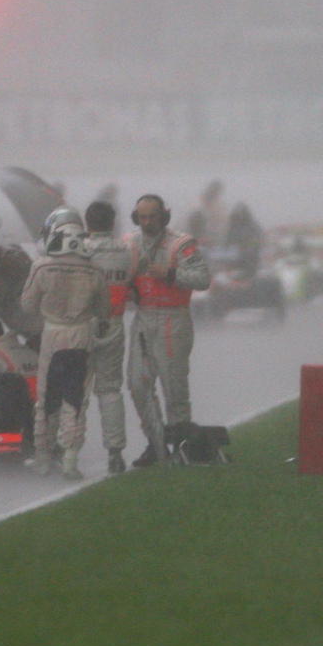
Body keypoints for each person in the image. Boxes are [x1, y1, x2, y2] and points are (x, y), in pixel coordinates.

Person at [19, 206, 110, 480]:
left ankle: (43, 458)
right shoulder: (94, 270)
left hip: (53, 335)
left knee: (47, 397)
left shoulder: (42, 266)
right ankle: (71, 459)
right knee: (76, 399)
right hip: (81, 335)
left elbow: (26, 305)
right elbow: (104, 310)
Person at [125, 193, 211, 466]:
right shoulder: (128, 243)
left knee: (174, 387)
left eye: (152, 216)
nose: (147, 222)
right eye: (142, 217)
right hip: (143, 318)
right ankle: (157, 443)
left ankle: (182, 446)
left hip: (173, 319)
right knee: (138, 384)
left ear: (164, 216)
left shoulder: (181, 244)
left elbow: (203, 279)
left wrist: (171, 274)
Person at [83, 200, 133, 475]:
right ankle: (115, 452)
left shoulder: (81, 251)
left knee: (76, 391)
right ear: (112, 224)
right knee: (110, 390)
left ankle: (68, 450)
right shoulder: (126, 252)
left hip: (83, 323)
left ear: (87, 223)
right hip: (113, 323)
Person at [187, 179, 228, 247]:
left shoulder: (219, 206)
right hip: (199, 238)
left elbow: (222, 222)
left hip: (213, 238)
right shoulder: (197, 207)